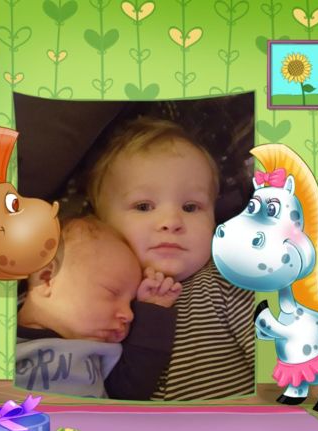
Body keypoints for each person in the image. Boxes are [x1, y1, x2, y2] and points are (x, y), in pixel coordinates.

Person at [88, 117, 256, 400]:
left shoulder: (229, 278)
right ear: (101, 224)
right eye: (144, 206)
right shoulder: (92, 290)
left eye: (191, 207)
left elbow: (279, 369)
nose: (171, 222)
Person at [15, 216, 180, 398]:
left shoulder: (101, 353)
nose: (129, 315)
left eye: (131, 303)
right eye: (112, 293)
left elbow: (131, 389)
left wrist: (154, 309)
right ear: (47, 278)